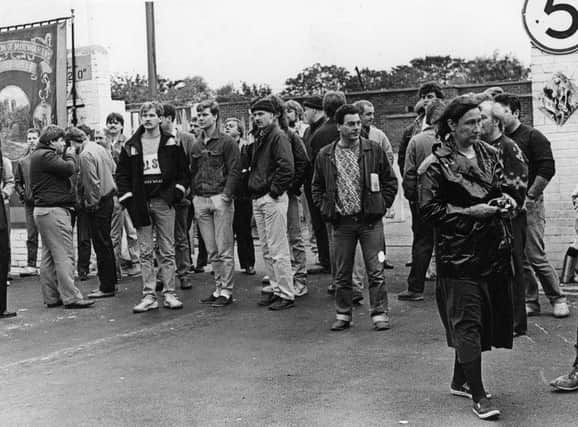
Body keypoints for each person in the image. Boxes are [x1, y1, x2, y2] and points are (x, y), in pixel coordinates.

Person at [419, 96, 515, 420]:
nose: (477, 129)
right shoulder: (435, 165)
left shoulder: (490, 153)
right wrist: (470, 213)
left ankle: (460, 379)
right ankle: (478, 395)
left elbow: (495, 188)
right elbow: (429, 210)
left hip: (491, 249)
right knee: (468, 323)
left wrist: (504, 201)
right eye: (469, 124)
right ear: (451, 126)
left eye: (479, 122)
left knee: (481, 321)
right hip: (458, 256)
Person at [312, 104, 397, 331]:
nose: (356, 128)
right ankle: (343, 314)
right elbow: (316, 187)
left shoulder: (373, 149)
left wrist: (381, 205)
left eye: (358, 123)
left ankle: (380, 313)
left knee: (376, 270)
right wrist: (327, 210)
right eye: (350, 124)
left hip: (370, 221)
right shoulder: (325, 154)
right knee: (341, 273)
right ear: (339, 126)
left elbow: (390, 181)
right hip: (341, 223)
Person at [494, 93, 570, 318]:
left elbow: (547, 168)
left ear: (516, 112)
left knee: (535, 255)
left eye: (503, 112)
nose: (497, 116)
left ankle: (558, 298)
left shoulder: (533, 136)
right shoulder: (495, 139)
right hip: (507, 205)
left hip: (530, 204)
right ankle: (531, 301)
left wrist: (530, 197)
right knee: (519, 257)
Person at [116, 102, 188, 313]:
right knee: (145, 252)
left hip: (164, 203)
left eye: (151, 115)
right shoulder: (131, 145)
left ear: (160, 118)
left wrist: (175, 194)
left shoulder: (171, 142)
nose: (147, 119)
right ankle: (149, 295)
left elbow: (184, 172)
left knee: (167, 250)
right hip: (140, 204)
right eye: (144, 115)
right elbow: (122, 175)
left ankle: (169, 293)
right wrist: (128, 199)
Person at [478, 97, 529, 337]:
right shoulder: (478, 146)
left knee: (513, 269)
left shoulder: (508, 146)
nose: (479, 122)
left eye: (483, 118)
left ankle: (515, 323)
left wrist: (502, 205)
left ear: (496, 122)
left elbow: (518, 187)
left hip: (509, 219)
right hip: (486, 219)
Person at [29, 125, 94, 309]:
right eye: (60, 141)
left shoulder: (37, 155)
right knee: (65, 254)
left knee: (49, 256)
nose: (63, 144)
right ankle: (72, 296)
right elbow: (69, 169)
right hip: (54, 211)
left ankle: (51, 296)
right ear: (51, 141)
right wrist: (71, 153)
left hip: (43, 212)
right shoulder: (46, 156)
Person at [245, 97, 296, 310]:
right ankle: (276, 288)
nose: (257, 118)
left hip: (270, 197)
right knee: (267, 247)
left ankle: (286, 292)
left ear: (273, 115)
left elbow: (287, 167)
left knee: (277, 248)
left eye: (261, 114)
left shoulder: (277, 136)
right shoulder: (261, 136)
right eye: (255, 114)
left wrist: (274, 191)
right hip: (260, 196)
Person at [190, 100, 240, 307]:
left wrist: (227, 195)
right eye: (199, 115)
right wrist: (193, 195)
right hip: (201, 199)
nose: (201, 118)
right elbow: (191, 170)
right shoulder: (196, 144)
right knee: (211, 250)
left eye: (205, 115)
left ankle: (227, 291)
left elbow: (235, 169)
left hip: (220, 198)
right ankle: (219, 287)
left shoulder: (227, 142)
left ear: (215, 116)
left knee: (224, 248)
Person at [399, 98, 446, 301]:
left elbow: (409, 173)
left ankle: (415, 288)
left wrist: (412, 198)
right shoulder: (450, 140)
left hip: (423, 201)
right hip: (447, 201)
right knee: (446, 243)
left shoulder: (416, 140)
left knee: (422, 243)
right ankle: (446, 287)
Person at [66, 127, 118, 299]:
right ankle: (110, 282)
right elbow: (113, 167)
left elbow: (91, 183)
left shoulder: (85, 155)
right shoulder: (99, 147)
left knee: (101, 244)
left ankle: (106, 286)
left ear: (73, 143)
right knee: (106, 243)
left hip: (99, 202)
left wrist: (90, 204)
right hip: (109, 197)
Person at [269, 95, 310, 297]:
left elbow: (302, 162)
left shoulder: (290, 136)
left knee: (294, 235)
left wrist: (291, 186)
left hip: (288, 194)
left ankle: (300, 277)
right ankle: (280, 278)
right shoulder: (263, 136)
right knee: (275, 239)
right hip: (270, 195)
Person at [353, 99, 395, 270]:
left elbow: (389, 155)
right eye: (368, 114)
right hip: (357, 189)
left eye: (372, 114)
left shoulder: (378, 135)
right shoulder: (351, 136)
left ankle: (381, 259)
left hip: (375, 186)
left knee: (378, 228)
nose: (372, 117)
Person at [160, 103, 196, 290]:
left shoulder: (187, 139)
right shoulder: (154, 139)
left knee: (181, 236)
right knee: (161, 238)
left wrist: (185, 190)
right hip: (160, 197)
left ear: (169, 118)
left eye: (161, 116)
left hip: (180, 196)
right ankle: (163, 274)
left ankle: (184, 272)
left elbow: (192, 167)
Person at [105, 112, 140, 278]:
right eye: (110, 122)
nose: (112, 125)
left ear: (121, 125)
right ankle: (116, 266)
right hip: (111, 192)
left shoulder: (127, 142)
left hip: (126, 190)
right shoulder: (103, 142)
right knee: (114, 232)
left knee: (132, 230)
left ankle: (136, 262)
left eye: (116, 122)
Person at [224, 118, 256, 275]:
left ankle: (248, 263)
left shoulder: (247, 147)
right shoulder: (224, 148)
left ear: (240, 130)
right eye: (226, 126)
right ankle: (225, 264)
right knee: (226, 232)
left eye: (231, 126)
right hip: (228, 194)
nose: (227, 128)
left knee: (244, 230)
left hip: (243, 195)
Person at [398, 82, 445, 176]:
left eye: (430, 96)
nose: (426, 100)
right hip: (420, 176)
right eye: (423, 97)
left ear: (439, 99)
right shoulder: (411, 129)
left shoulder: (448, 123)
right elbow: (403, 158)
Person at [301, 95, 326, 268]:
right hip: (311, 184)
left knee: (324, 225)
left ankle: (328, 260)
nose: (304, 113)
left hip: (321, 185)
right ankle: (324, 259)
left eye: (306, 110)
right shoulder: (308, 131)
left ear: (315, 110)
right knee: (316, 224)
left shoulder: (323, 130)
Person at [14, 128, 40, 277]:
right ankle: (31, 264)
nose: (31, 141)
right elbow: (17, 182)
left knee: (48, 235)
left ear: (39, 139)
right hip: (30, 204)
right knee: (31, 235)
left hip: (45, 202)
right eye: (29, 138)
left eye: (34, 138)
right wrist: (24, 194)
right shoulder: (22, 161)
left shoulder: (45, 158)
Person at [0, 143, 16, 318]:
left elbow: (10, 182)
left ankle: (1, 307)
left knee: (2, 256)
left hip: (1, 212)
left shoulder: (4, 162)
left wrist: (4, 194)